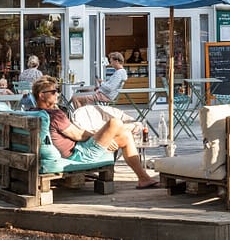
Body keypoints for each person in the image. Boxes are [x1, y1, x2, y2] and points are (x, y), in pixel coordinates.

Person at [31, 75, 159, 189]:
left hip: (70, 151)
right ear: (41, 95)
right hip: (78, 154)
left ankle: (144, 179)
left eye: (57, 91)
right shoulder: (54, 115)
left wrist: (103, 137)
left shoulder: (32, 112)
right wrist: (102, 137)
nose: (57, 94)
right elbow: (79, 135)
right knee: (115, 123)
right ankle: (133, 126)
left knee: (125, 137)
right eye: (53, 92)